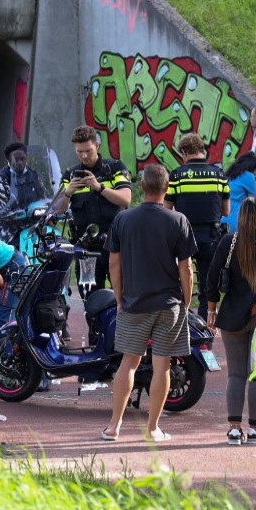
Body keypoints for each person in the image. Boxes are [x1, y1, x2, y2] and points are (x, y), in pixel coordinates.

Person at [101, 163, 197, 443]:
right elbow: (186, 268)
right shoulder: (178, 220)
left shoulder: (123, 220)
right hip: (169, 305)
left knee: (127, 364)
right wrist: (186, 300)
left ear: (142, 187)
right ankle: (153, 429)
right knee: (162, 366)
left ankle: (113, 427)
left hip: (133, 304)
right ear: (167, 189)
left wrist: (119, 297)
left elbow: (113, 263)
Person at [205, 196, 256, 446]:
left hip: (231, 317)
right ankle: (255, 429)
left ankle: (233, 429)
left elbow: (211, 278)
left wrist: (211, 309)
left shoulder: (230, 242)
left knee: (236, 374)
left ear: (241, 218)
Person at [52, 125, 132, 286]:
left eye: (88, 150)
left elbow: (125, 199)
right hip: (86, 247)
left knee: (124, 294)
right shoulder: (70, 174)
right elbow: (58, 210)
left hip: (115, 243)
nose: (84, 156)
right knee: (89, 297)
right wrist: (68, 192)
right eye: (79, 152)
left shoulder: (115, 167)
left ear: (97, 145)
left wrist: (99, 187)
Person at [166, 132, 230, 315]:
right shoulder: (219, 175)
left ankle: (182, 325)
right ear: (203, 150)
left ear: (185, 152)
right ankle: (204, 333)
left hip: (183, 236)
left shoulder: (177, 175)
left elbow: (166, 208)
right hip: (211, 236)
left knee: (179, 284)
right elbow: (226, 211)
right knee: (207, 287)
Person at [223, 152, 256, 233]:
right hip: (237, 219)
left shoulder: (231, 173)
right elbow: (255, 201)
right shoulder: (248, 176)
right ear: (254, 167)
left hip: (223, 217)